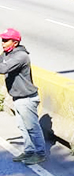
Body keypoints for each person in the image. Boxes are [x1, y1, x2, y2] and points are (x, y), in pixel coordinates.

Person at [0, 28, 46, 165]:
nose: (2, 43)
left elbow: (2, 69)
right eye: (2, 40)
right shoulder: (7, 54)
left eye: (5, 40)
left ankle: (40, 153)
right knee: (22, 126)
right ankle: (29, 151)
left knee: (32, 127)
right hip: (18, 98)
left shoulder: (21, 56)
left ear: (14, 42)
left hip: (27, 98)